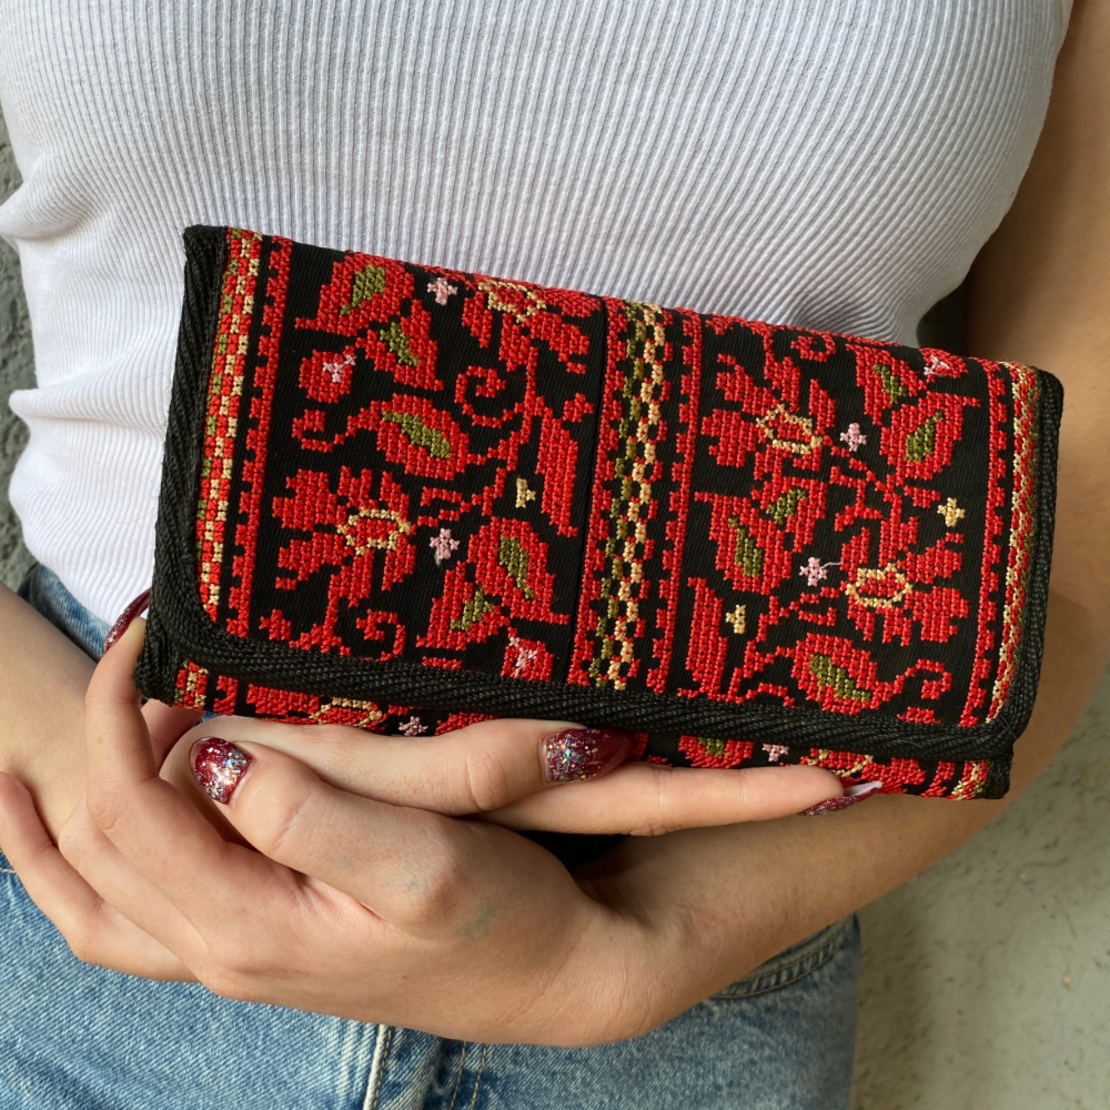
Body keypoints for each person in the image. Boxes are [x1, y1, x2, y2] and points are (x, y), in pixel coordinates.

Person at [1, 0, 1106, 1106]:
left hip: (700, 951)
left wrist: (647, 943)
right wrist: (84, 766)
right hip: (91, 868)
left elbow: (1076, 515)